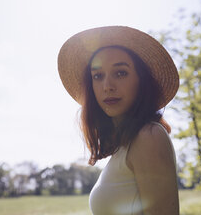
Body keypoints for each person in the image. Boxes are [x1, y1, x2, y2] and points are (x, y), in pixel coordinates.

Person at [58, 26, 179, 215]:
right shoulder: (125, 146)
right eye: (98, 76)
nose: (107, 86)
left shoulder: (149, 136)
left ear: (141, 80)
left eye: (121, 73)